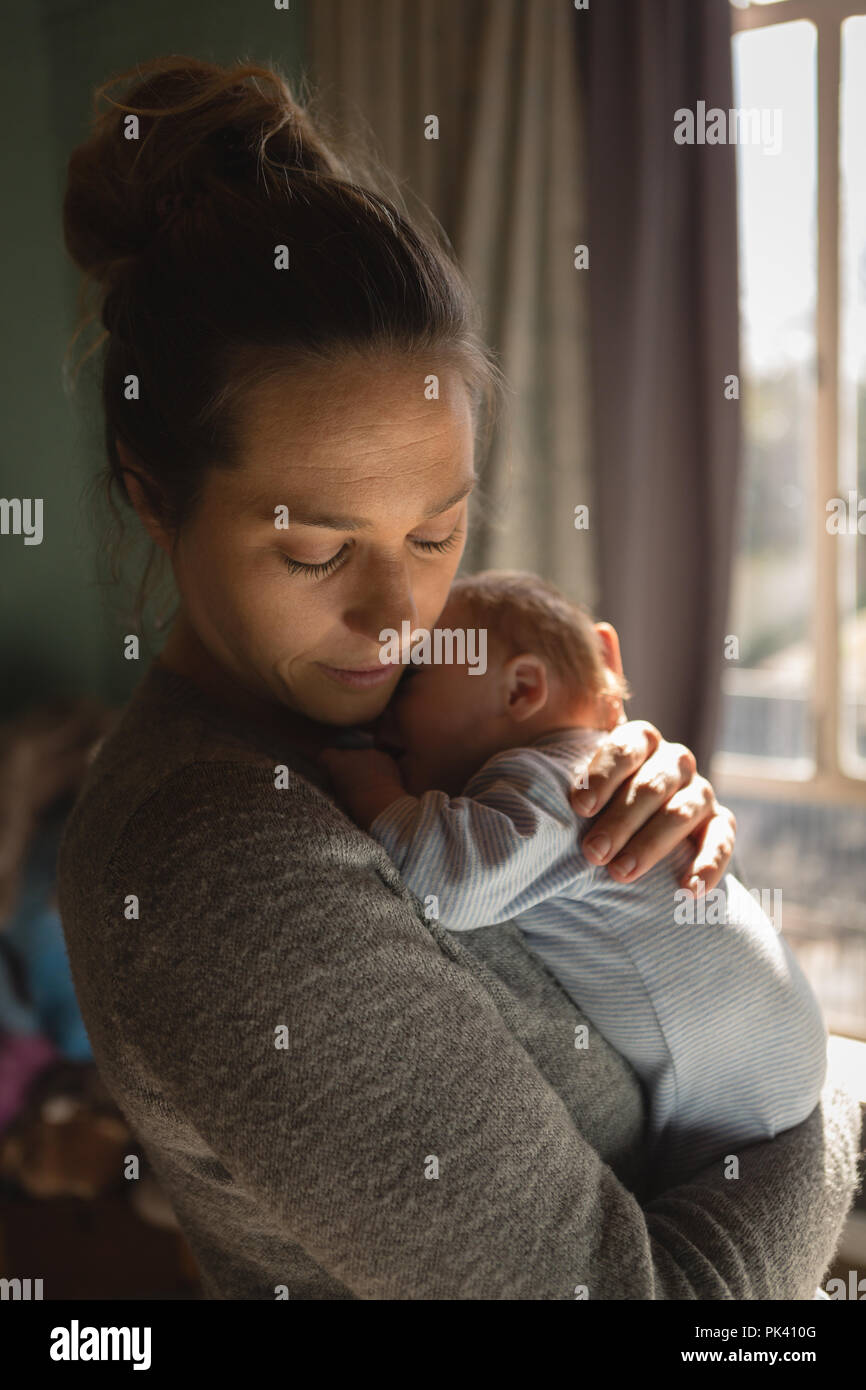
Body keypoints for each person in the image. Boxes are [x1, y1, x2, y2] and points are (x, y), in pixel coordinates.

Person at [55, 56, 860, 1299]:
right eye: (314, 548)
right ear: (150, 494)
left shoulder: (423, 701)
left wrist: (635, 826)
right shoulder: (219, 859)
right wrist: (813, 1116)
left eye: (437, 535)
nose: (397, 617)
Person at [320, 569, 829, 1189]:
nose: (384, 723)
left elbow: (442, 882)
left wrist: (368, 783)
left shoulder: (554, 782)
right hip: (769, 1065)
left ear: (523, 688)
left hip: (733, 1096)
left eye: (409, 682)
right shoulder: (589, 771)